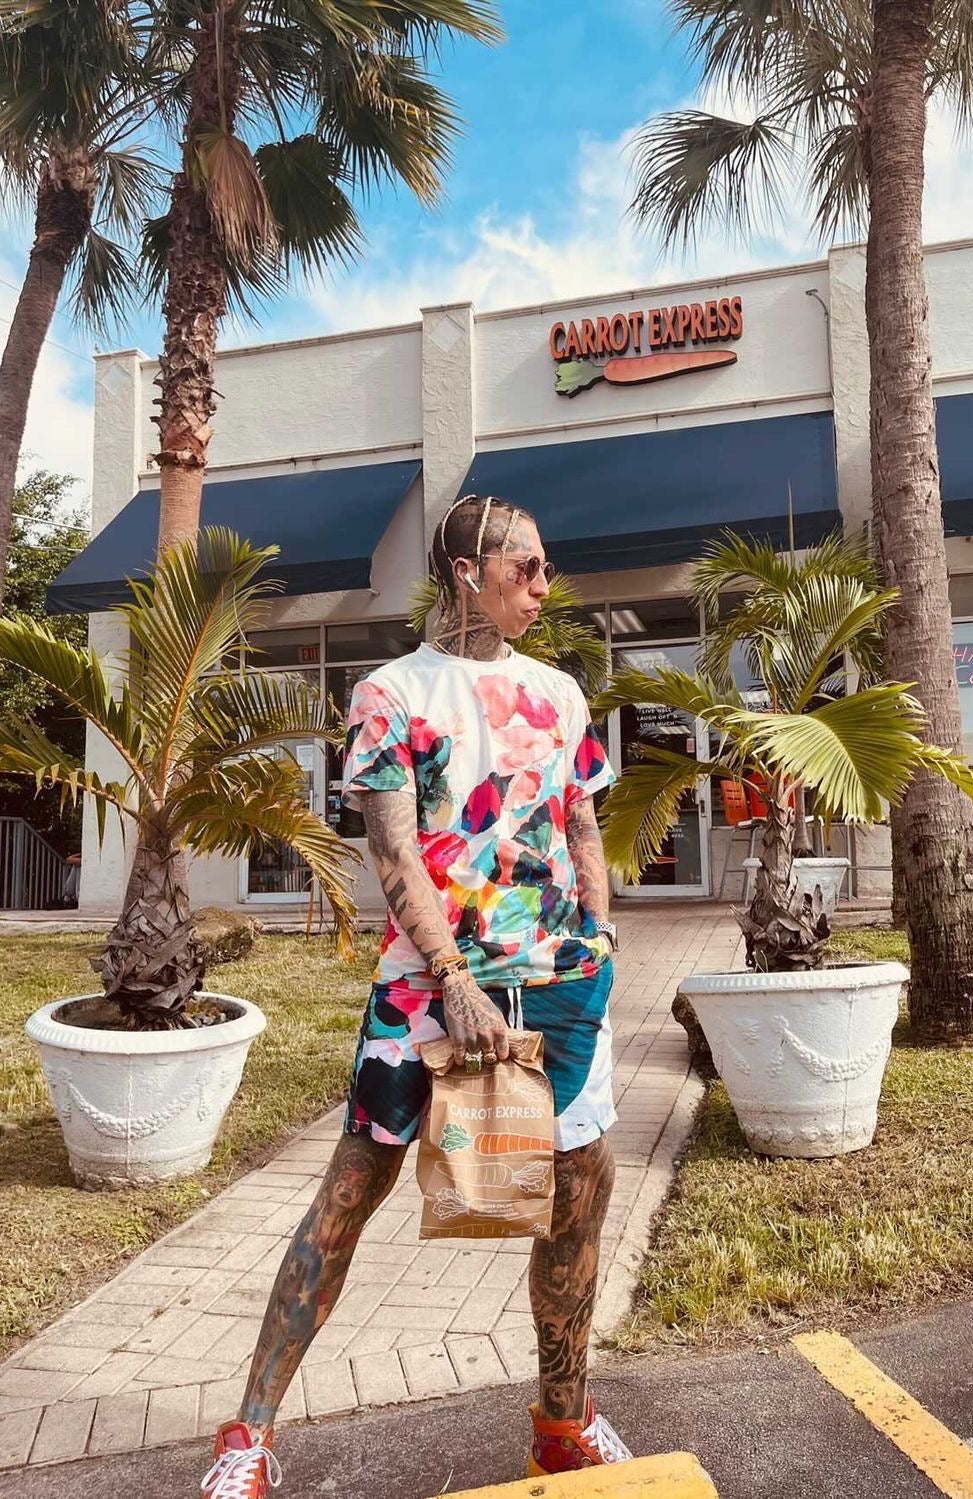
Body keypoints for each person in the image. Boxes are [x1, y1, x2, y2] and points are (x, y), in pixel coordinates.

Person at [202, 495, 632, 1498]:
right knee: (353, 1187)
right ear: (466, 571)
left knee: (580, 1190)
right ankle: (248, 1435)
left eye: (545, 565)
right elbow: (393, 849)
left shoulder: (560, 693)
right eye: (526, 566)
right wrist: (452, 977)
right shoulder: (393, 692)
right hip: (427, 986)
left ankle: (562, 1423)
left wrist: (602, 939)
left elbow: (581, 824)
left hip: (559, 982)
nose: (544, 583)